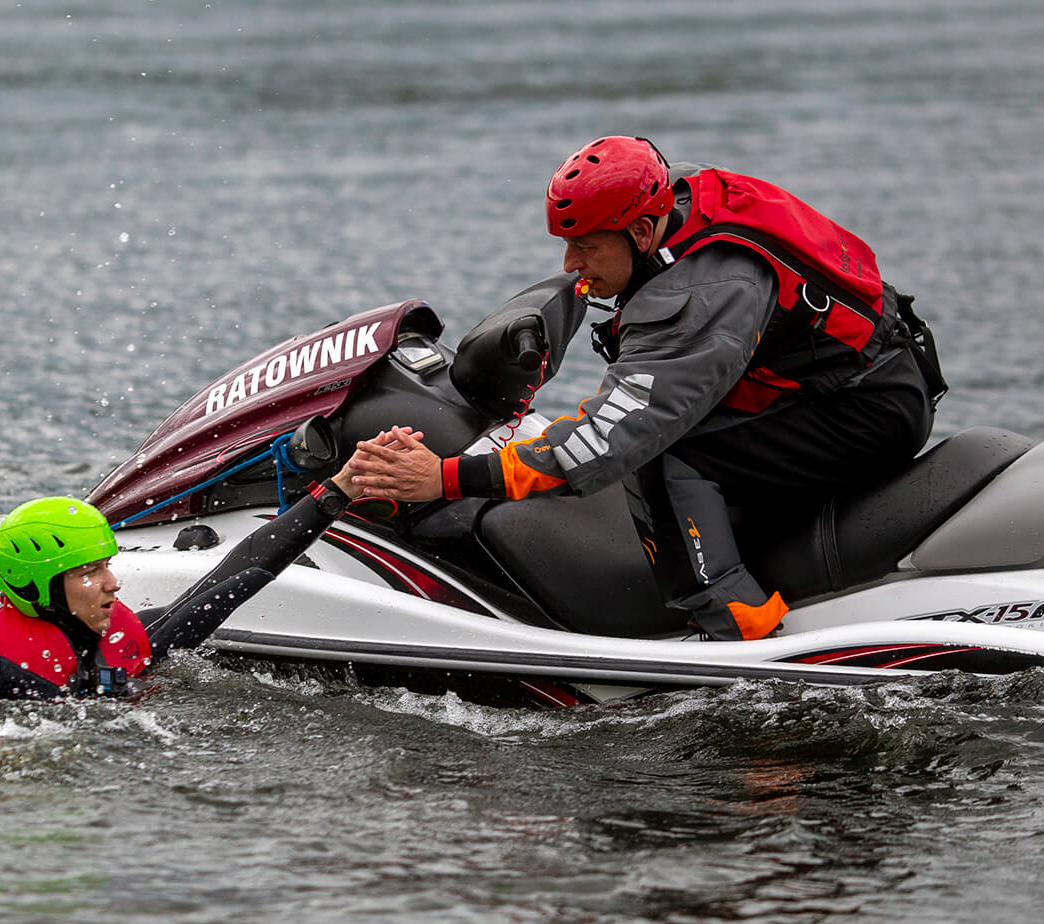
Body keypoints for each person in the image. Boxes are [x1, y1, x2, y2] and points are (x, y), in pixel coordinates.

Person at [349, 136, 945, 640]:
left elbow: (607, 443)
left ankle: (736, 630)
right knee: (659, 432)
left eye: (584, 245)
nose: (568, 263)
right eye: (564, 241)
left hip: (866, 406)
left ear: (638, 230)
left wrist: (447, 477)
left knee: (665, 456)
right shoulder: (672, 199)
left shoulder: (700, 294)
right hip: (849, 375)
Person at [0, 461, 369, 699]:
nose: (112, 584)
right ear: (34, 588)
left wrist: (340, 490)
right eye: (89, 573)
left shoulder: (127, 639)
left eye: (107, 565)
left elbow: (239, 574)